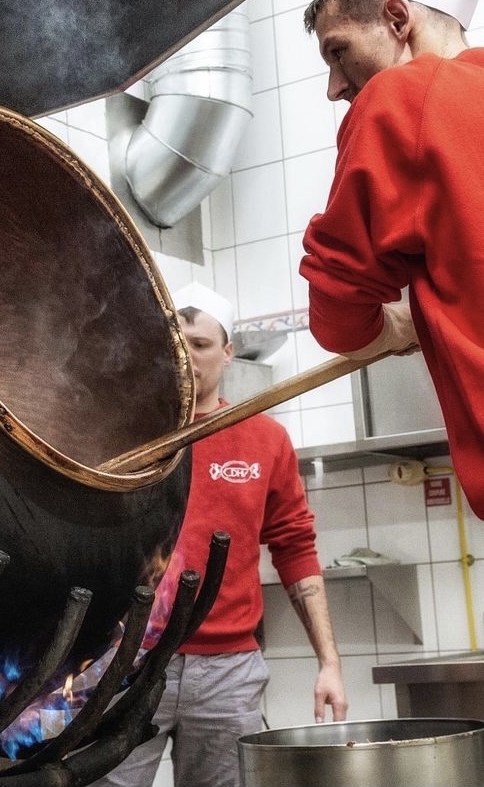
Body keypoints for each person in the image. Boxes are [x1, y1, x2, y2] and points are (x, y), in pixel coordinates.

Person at [93, 282, 347, 787]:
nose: (186, 356)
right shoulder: (122, 436)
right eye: (176, 339)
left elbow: (295, 547)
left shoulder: (264, 439)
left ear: (228, 354)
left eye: (201, 344)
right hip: (127, 661)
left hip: (228, 673)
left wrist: (329, 662)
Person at [298, 0, 484, 520]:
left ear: (398, 19)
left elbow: (338, 315)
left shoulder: (402, 97)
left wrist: (391, 326)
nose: (336, 87)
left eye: (338, 51)